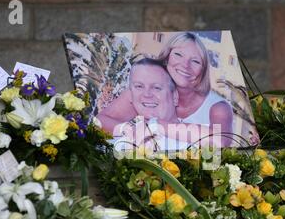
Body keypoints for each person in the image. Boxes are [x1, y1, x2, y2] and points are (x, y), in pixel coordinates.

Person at [97, 32, 234, 147]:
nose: (185, 65)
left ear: (202, 71)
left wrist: (155, 126)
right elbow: (99, 122)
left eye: (195, 61)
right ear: (167, 57)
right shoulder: (146, 93)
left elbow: (221, 141)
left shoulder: (217, 107)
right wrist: (129, 130)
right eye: (178, 55)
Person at [112, 58, 188, 151]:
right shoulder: (117, 144)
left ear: (175, 96)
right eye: (139, 86)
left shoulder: (197, 145)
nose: (147, 94)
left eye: (156, 87)